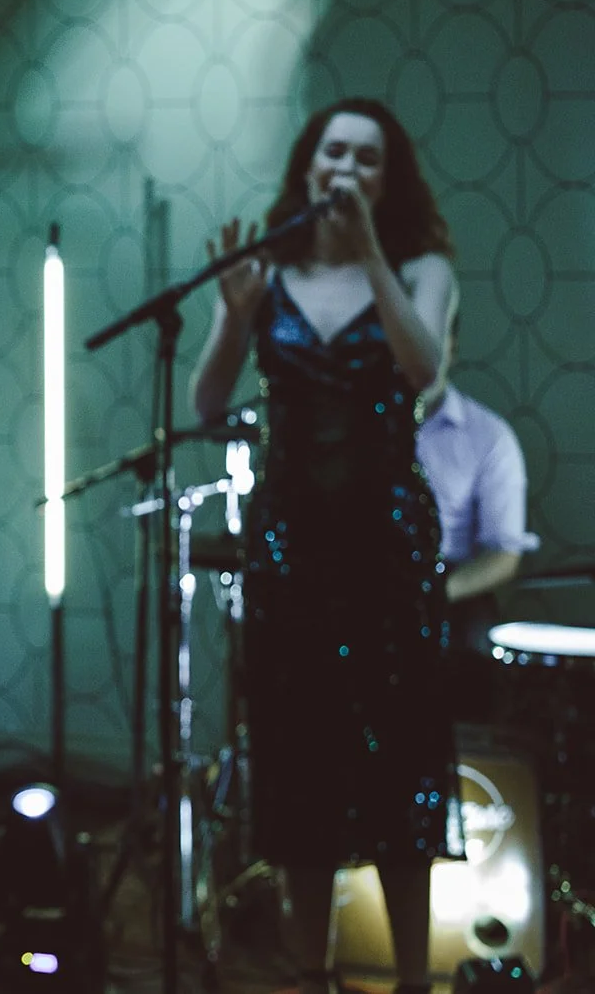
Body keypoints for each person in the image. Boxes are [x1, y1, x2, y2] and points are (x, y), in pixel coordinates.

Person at [191, 98, 459, 994]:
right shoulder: (267, 275)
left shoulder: (422, 268)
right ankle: (314, 974)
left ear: (389, 180)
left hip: (388, 553)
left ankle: (413, 977)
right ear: (309, 169)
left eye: (368, 157)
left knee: (398, 765)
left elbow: (425, 370)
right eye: (333, 152)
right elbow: (205, 404)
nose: (347, 168)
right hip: (291, 551)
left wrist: (373, 255)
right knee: (299, 763)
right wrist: (235, 315)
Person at [417, 311, 538, 649]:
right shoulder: (353, 430)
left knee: (474, 637)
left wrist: (433, 594)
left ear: (450, 347)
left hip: (447, 587)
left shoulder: (489, 436)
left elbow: (503, 554)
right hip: (362, 580)